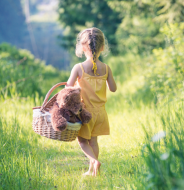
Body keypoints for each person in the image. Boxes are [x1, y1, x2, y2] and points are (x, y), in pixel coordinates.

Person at [66, 27, 117, 177]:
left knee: (82, 142)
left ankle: (94, 162)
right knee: (93, 142)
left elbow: (67, 87)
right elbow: (113, 88)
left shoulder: (79, 68)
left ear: (83, 47)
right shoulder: (106, 68)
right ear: (102, 47)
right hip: (100, 113)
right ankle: (92, 171)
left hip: (86, 113)